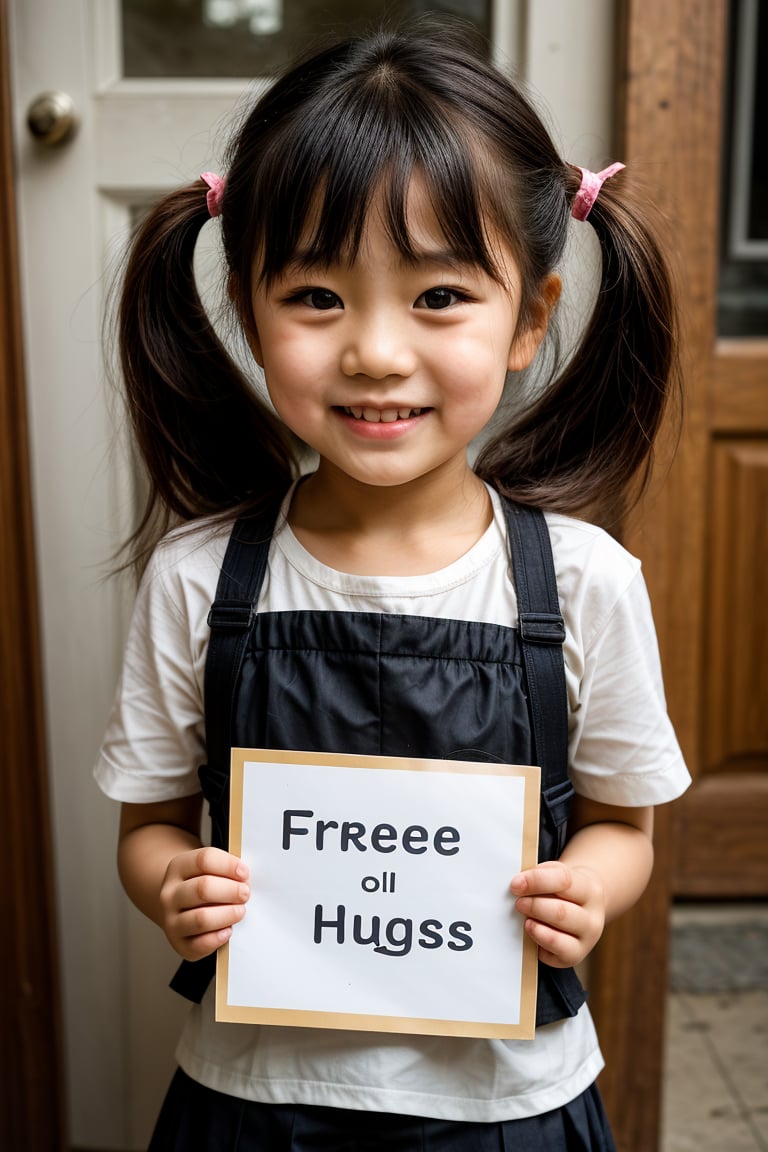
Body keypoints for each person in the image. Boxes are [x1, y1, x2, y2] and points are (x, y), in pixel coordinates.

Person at [95, 18, 691, 1151]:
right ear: (246, 305)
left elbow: (622, 822)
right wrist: (173, 885)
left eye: (438, 298)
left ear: (531, 319)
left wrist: (592, 891)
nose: (374, 350)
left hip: (510, 1104)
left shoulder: (586, 583)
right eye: (316, 296)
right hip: (253, 1101)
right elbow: (150, 823)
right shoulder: (197, 579)